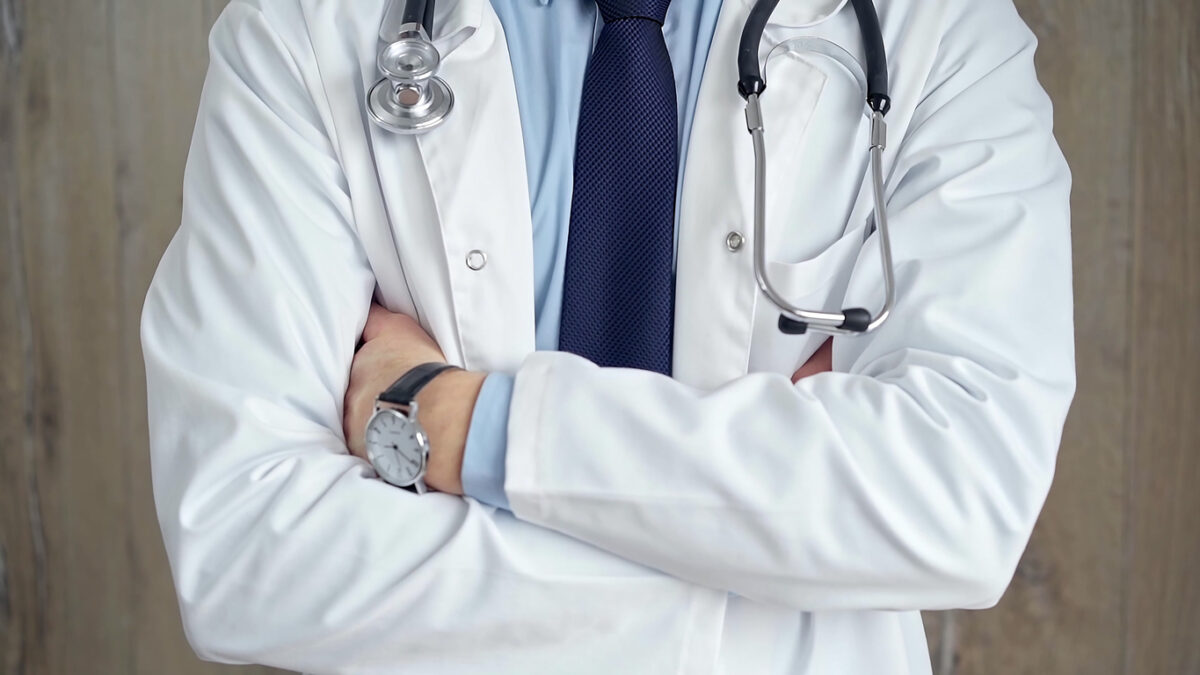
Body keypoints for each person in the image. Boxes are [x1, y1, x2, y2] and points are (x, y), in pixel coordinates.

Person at [140, 0, 1074, 672]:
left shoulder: (946, 36)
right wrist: (770, 561)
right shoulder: (306, 32)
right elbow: (243, 547)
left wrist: (473, 427)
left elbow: (960, 497)